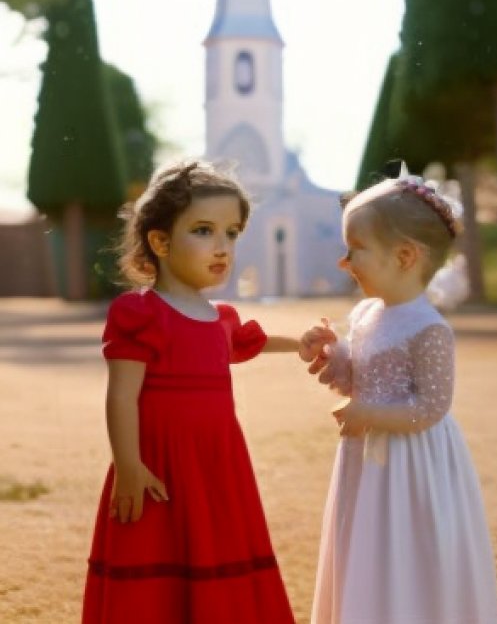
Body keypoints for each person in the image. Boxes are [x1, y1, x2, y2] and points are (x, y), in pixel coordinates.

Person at [82, 160, 333, 624]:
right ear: (159, 242)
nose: (222, 247)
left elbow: (244, 344)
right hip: (157, 467)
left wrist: (298, 344)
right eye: (203, 230)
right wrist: (129, 466)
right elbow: (120, 397)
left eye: (232, 233)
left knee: (218, 558)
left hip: (217, 467)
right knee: (157, 568)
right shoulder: (140, 314)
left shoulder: (220, 316)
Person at [304, 176, 497, 624]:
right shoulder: (365, 314)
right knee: (365, 540)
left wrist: (368, 414)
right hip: (364, 456)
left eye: (356, 247)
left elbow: (431, 408)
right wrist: (333, 355)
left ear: (405, 256)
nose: (343, 260)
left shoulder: (429, 328)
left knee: (406, 545)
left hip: (412, 464)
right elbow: (357, 377)